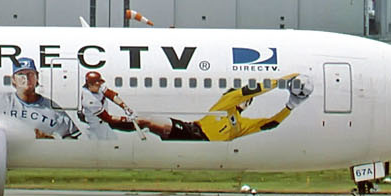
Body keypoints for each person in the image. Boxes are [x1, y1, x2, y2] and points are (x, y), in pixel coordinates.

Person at [135, 75, 311, 141]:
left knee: (151, 123)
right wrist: (285, 79)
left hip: (204, 145)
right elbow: (254, 89)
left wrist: (290, 106)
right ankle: (120, 123)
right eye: (246, 99)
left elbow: (270, 124)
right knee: (150, 121)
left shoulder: (242, 124)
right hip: (193, 132)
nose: (247, 101)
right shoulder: (227, 103)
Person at [77, 71, 137, 138]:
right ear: (90, 85)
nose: (100, 85)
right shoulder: (89, 99)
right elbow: (107, 118)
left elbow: (111, 95)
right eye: (98, 84)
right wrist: (126, 119)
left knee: (115, 142)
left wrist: (125, 107)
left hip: (103, 125)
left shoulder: (96, 86)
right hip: (94, 129)